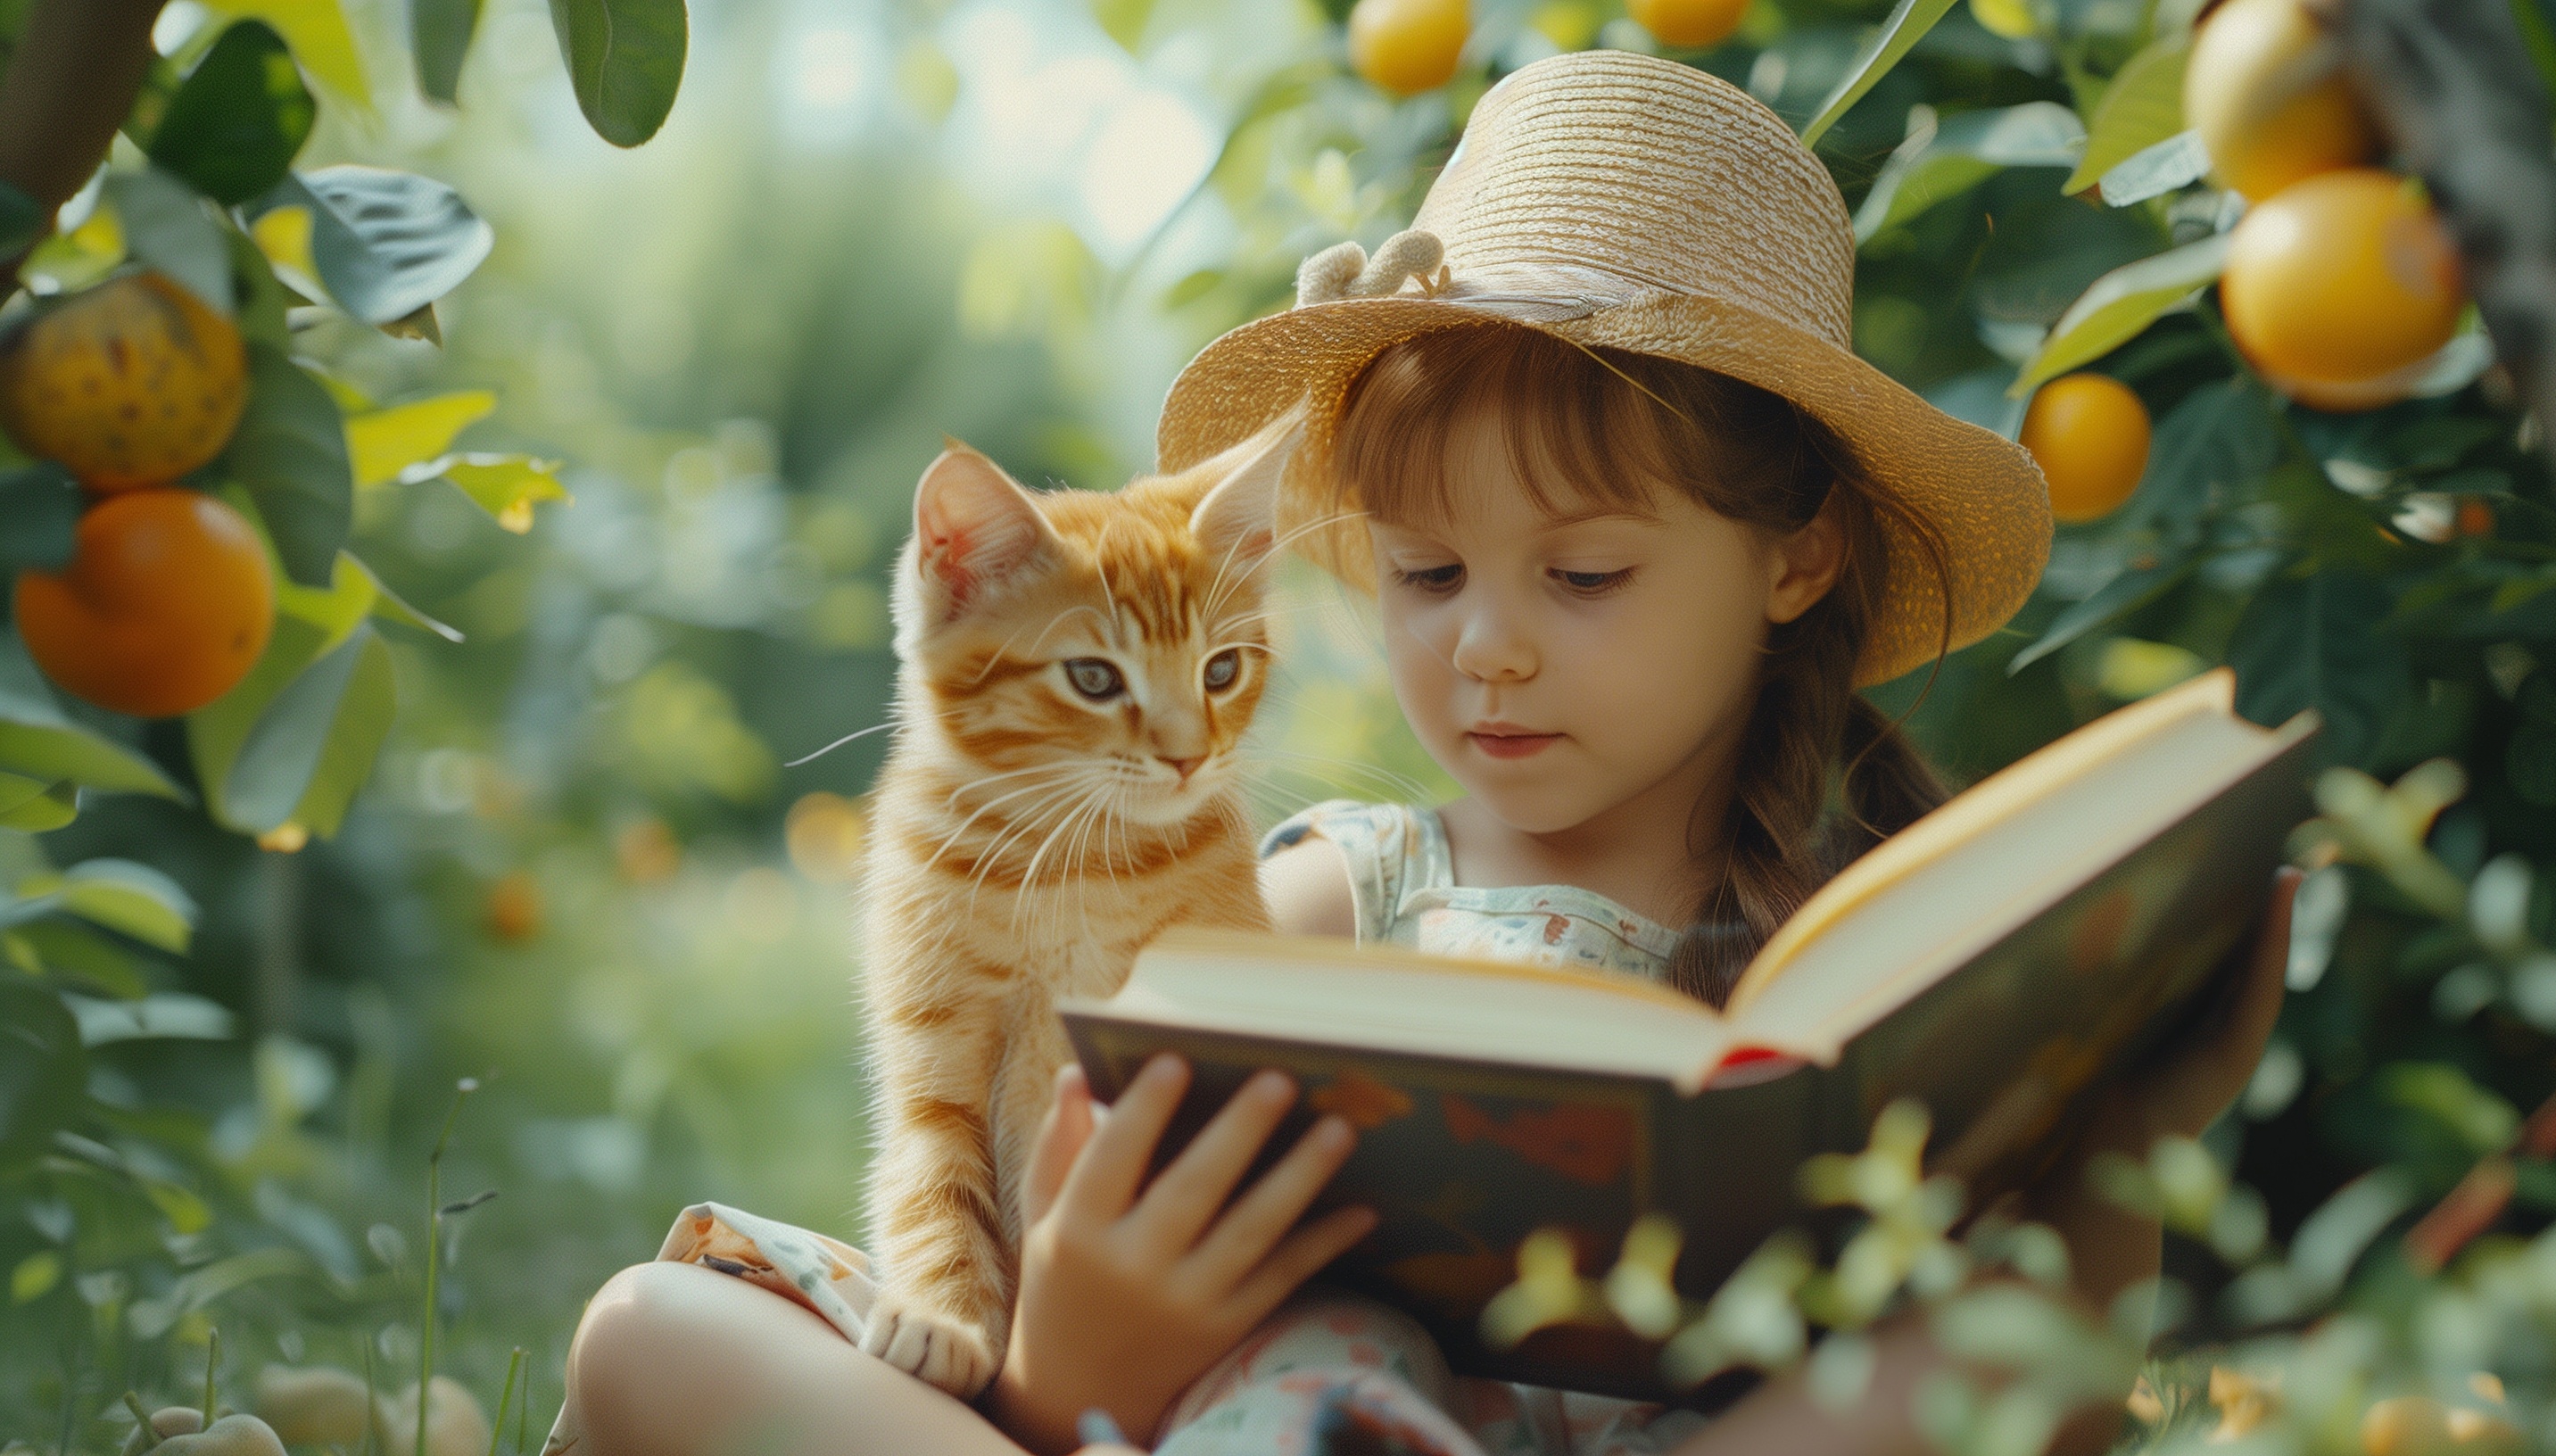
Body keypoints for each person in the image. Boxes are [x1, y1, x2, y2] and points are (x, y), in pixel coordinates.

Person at [551, 49, 2298, 1456]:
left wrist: (2123, 1120)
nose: (1487, 646)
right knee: (657, 1337)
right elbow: (1046, 1334)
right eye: (1426, 571)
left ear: (1796, 555)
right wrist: (1076, 1348)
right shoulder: (1341, 895)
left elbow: (2039, 1387)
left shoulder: (1889, 944)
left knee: (1965, 1340)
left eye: (1586, 572)